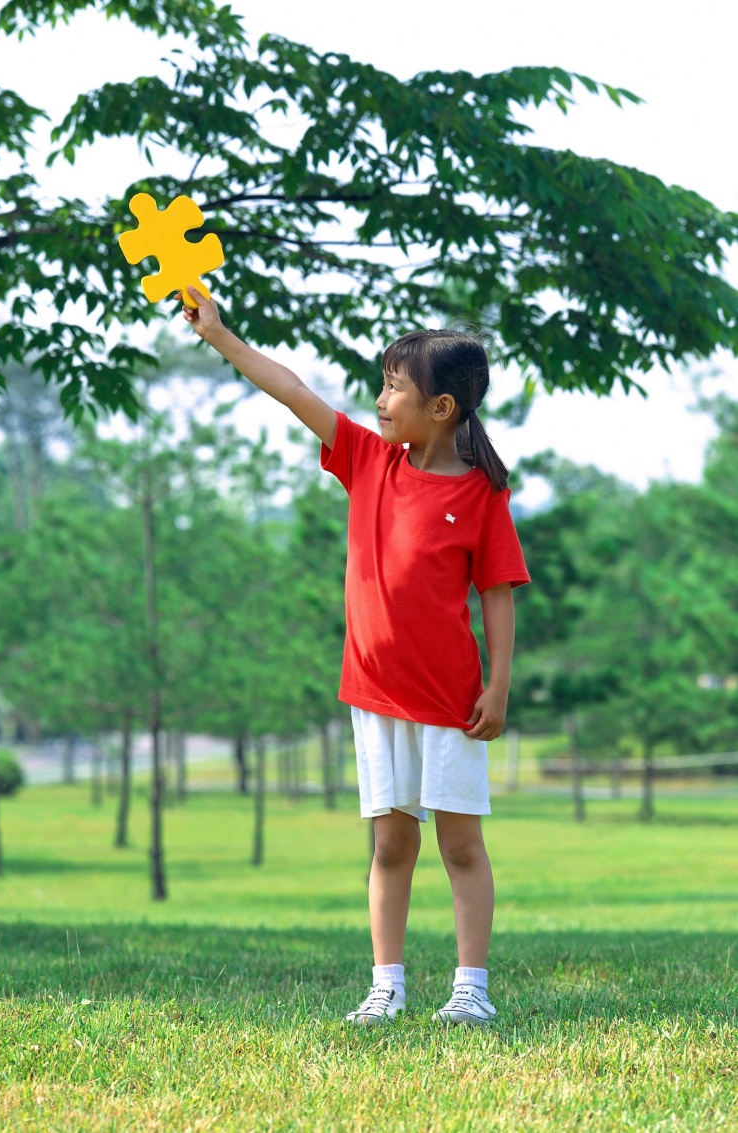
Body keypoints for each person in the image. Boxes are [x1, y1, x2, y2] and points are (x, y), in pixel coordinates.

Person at [178, 286, 530, 1027]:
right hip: (374, 694)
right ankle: (387, 984)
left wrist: (499, 686)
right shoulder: (368, 460)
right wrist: (221, 336)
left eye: (394, 387)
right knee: (391, 841)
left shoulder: (481, 495)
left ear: (441, 408)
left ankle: (471, 988)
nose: (378, 399)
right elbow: (292, 390)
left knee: (461, 844)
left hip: (451, 703)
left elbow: (497, 592)